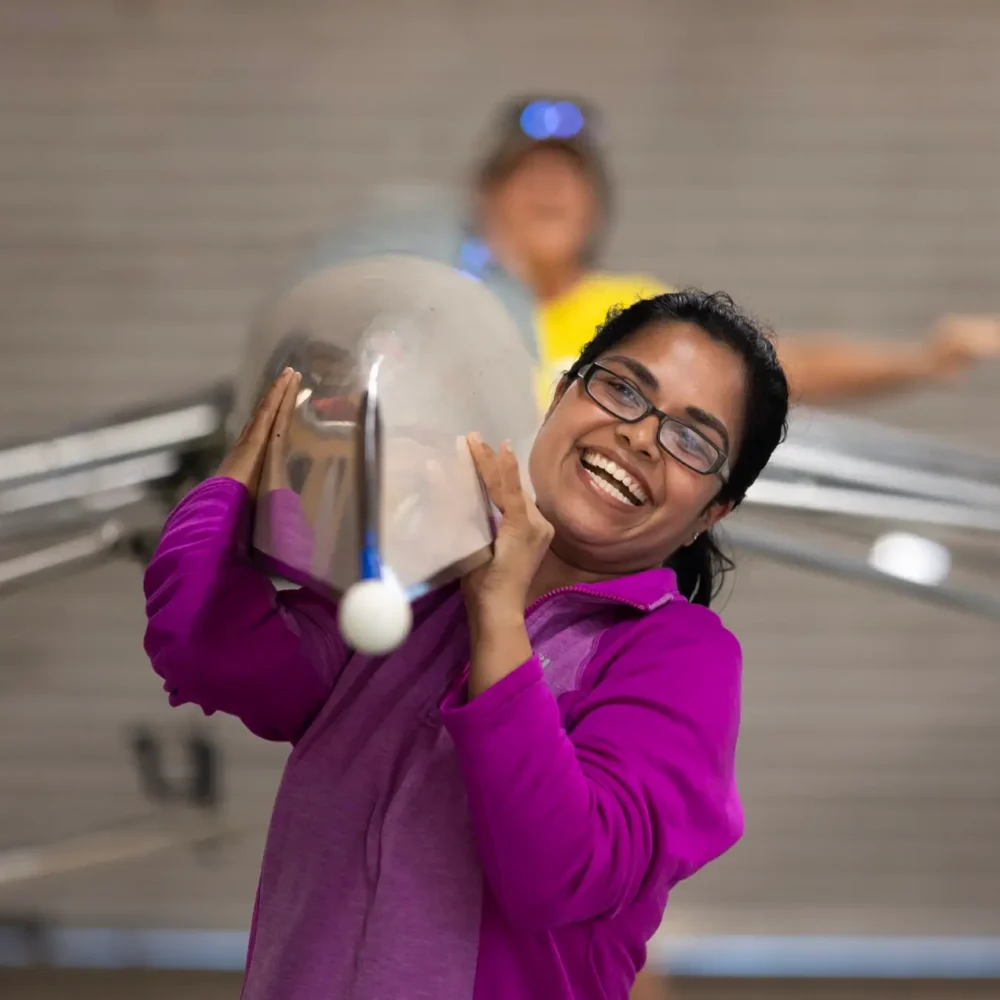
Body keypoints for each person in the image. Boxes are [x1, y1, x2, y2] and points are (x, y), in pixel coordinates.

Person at [142, 289, 790, 1000]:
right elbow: (205, 648)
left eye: (693, 441)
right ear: (559, 396)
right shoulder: (420, 567)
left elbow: (560, 872)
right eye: (623, 388)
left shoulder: (680, 658)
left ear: (713, 512)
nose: (639, 435)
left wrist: (497, 613)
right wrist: (238, 479)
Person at [474, 97, 1000, 409]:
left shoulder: (636, 312)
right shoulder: (448, 302)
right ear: (488, 198)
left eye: (569, 176)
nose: (549, 190)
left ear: (596, 205)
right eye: (529, 174)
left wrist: (923, 359)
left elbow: (779, 366)